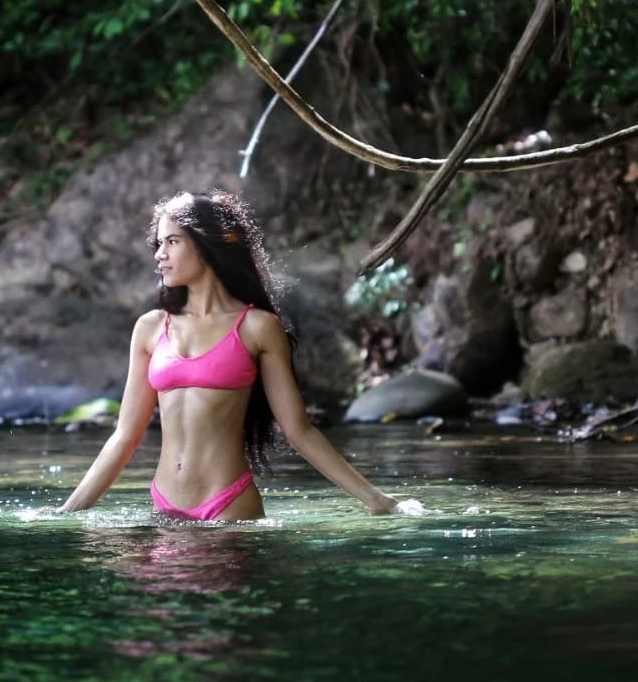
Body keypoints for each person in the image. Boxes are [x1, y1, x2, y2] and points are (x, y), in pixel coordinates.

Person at [61, 189, 413, 521]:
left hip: (228, 505)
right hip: (164, 508)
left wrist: (379, 501)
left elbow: (299, 431)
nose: (159, 254)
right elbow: (125, 436)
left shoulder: (257, 327)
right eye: (158, 243)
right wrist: (66, 513)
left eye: (172, 241)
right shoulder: (151, 328)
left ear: (206, 245)